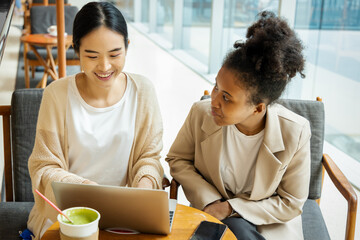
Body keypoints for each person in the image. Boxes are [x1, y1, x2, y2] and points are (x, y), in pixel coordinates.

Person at [166, 11, 309, 240]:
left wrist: (232, 208)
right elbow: (178, 159)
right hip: (213, 217)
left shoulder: (295, 132)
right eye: (215, 87)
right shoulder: (200, 113)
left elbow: (291, 202)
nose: (213, 101)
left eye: (226, 97)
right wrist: (212, 201)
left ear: (258, 108)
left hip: (268, 224)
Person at [26, 2, 163, 239]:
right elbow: (43, 166)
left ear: (127, 47)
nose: (105, 66)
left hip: (122, 216)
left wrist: (144, 189)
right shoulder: (56, 94)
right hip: (66, 216)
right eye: (92, 55)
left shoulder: (143, 91)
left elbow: (149, 157)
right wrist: (85, 190)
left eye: (115, 54)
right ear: (76, 50)